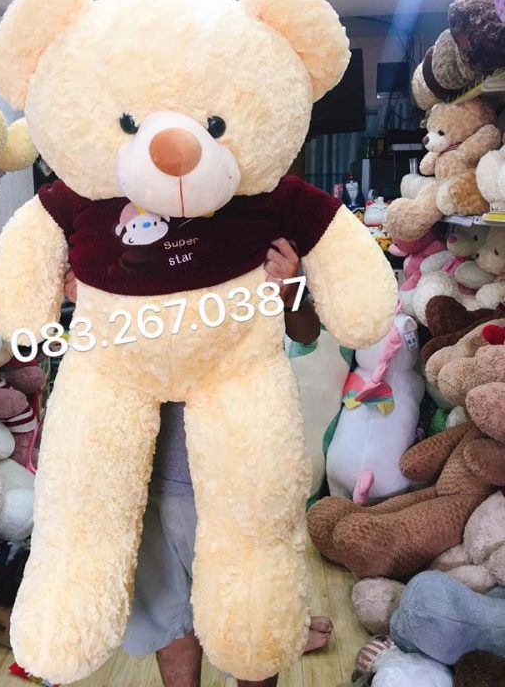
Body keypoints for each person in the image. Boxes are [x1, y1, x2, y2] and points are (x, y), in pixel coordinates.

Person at [63, 238, 331, 687]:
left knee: (251, 621)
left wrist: (292, 289)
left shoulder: (251, 224)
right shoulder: (115, 226)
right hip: (145, 471)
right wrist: (86, 303)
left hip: (241, 473)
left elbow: (306, 332)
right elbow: (90, 346)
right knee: (168, 615)